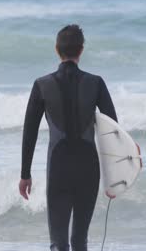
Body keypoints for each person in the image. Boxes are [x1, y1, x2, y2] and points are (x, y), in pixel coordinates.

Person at [19, 25, 117, 251]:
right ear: (81, 50)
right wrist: (115, 177)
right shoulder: (96, 83)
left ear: (56, 49)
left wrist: (25, 174)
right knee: (79, 241)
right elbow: (113, 131)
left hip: (58, 168)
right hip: (88, 168)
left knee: (59, 243)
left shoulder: (42, 85)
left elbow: (29, 132)